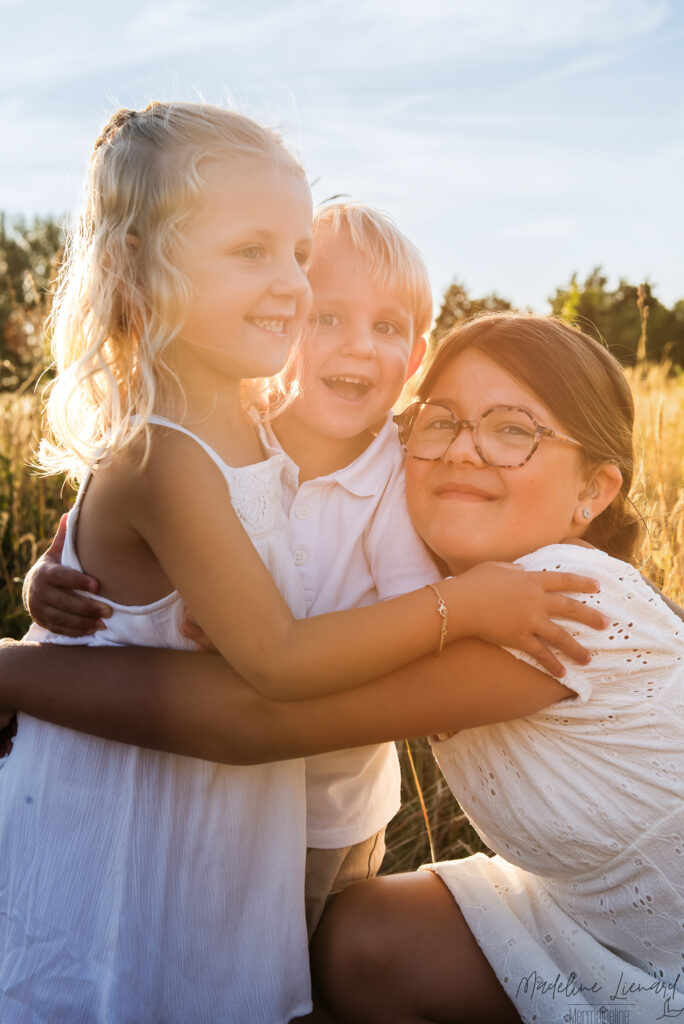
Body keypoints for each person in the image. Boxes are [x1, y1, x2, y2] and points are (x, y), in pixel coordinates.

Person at [0, 97, 601, 1021]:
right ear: (146, 269)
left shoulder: (319, 445)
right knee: (122, 980)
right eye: (258, 257)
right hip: (147, 800)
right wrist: (51, 594)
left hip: (280, 807)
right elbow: (260, 649)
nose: (291, 289)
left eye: (294, 256)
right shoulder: (191, 447)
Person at [3, 314, 682, 1022]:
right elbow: (270, 475)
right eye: (441, 421)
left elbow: (258, 718)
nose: (464, 451)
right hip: (581, 920)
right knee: (357, 940)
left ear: (594, 491)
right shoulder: (436, 580)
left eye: (514, 430)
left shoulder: (569, 600)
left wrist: (16, 672)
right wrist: (82, 556)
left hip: (669, 945)